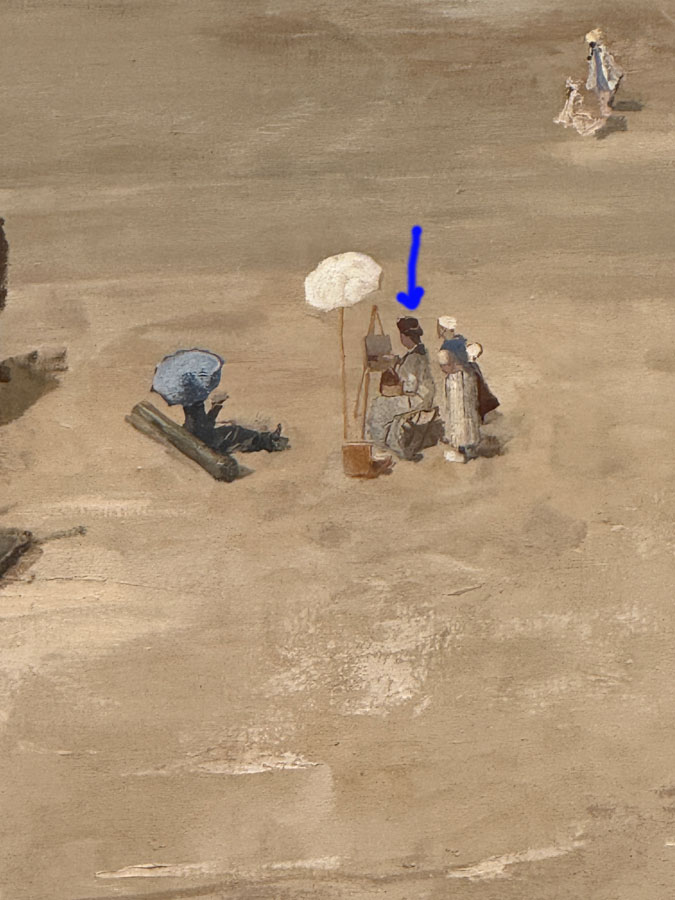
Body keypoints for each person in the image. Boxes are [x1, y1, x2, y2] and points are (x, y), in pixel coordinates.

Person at [366, 316, 435, 459]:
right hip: (419, 396)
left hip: (417, 399)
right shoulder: (417, 353)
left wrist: (393, 374)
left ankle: (379, 447)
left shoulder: (415, 357)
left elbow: (410, 386)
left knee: (380, 405)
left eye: (401, 336)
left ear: (404, 336)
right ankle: (380, 445)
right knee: (382, 404)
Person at [182, 389, 289, 454]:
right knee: (238, 433)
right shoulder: (195, 410)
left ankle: (268, 440)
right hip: (211, 441)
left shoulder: (192, 409)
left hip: (208, 437)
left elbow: (204, 425)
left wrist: (216, 406)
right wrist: (216, 407)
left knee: (236, 432)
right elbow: (205, 428)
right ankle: (269, 442)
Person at [437, 316, 499, 422]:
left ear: (443, 329)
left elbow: (452, 365)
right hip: (468, 374)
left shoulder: (448, 346)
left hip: (459, 380)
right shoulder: (459, 340)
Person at [586, 29, 623, 117]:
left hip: (600, 85)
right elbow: (607, 92)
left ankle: (595, 47)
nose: (603, 110)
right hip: (606, 84)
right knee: (600, 66)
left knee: (596, 66)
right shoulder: (610, 100)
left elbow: (600, 93)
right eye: (606, 111)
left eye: (603, 111)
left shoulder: (601, 102)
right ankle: (598, 46)